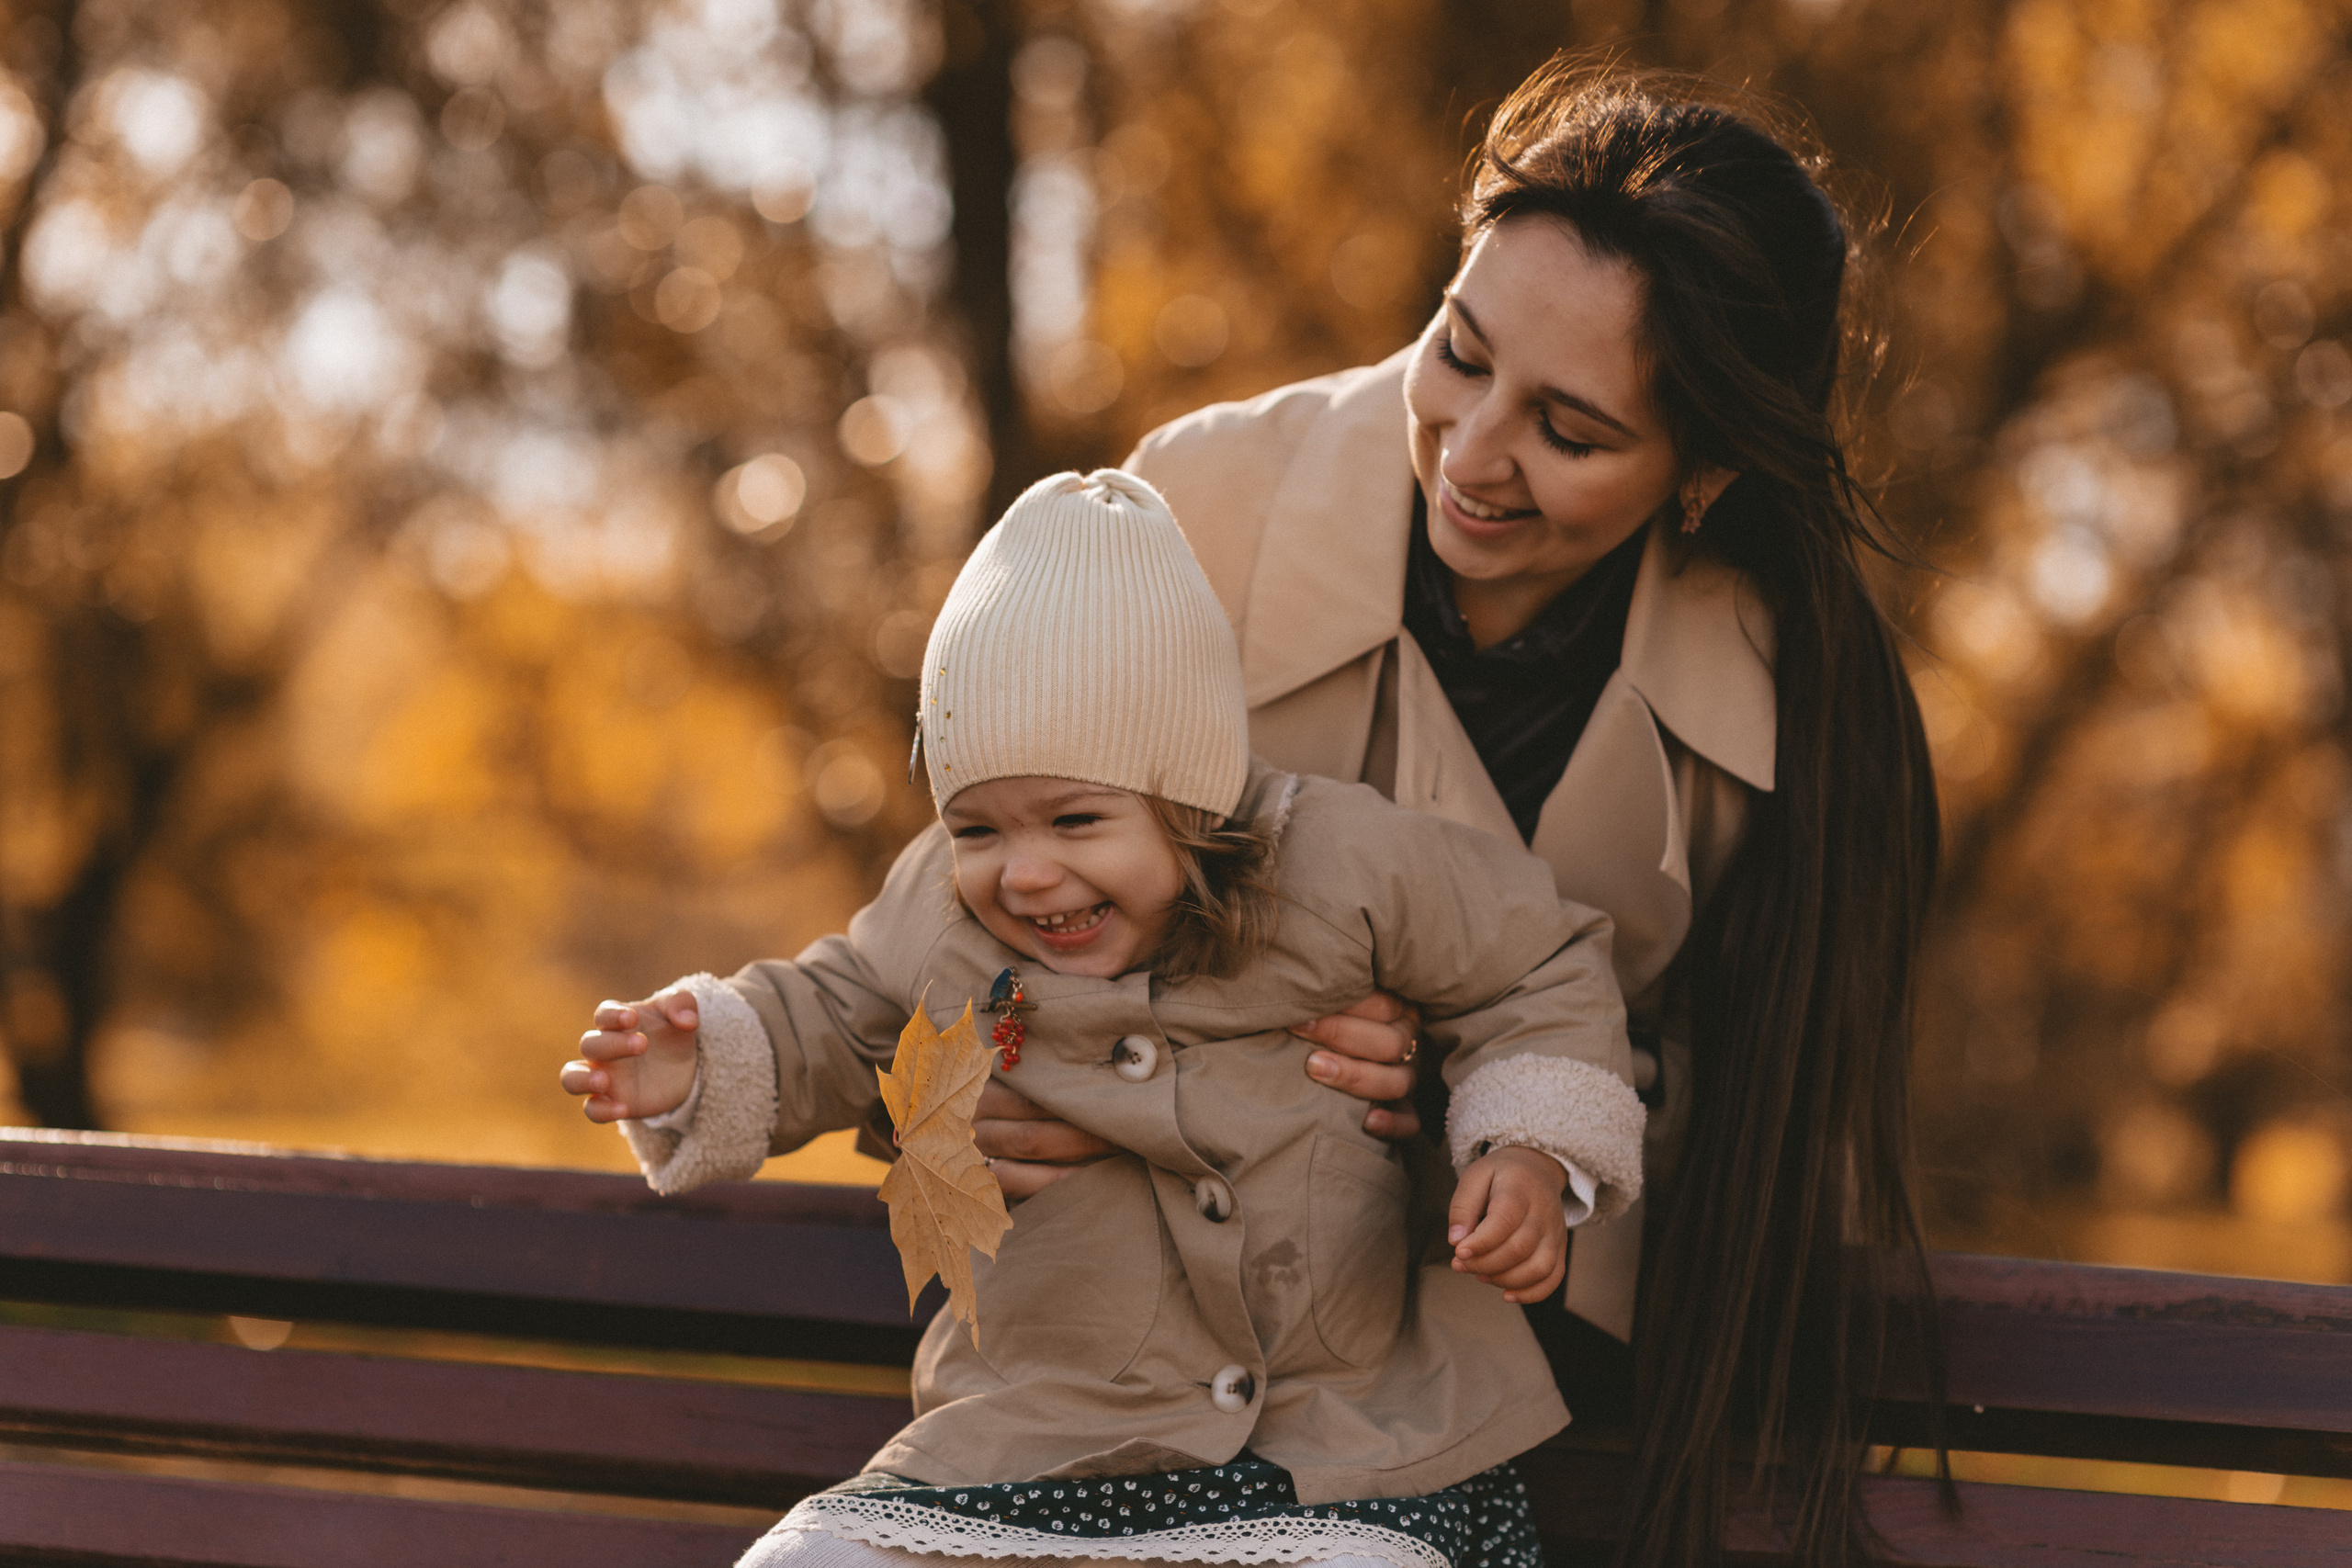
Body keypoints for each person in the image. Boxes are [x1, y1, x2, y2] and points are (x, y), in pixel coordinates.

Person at [970, 60, 1943, 1568]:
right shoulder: (1191, 513)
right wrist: (1026, 1062)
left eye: (1571, 429)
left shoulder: (1796, 690)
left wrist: (1491, 1099)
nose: (1473, 453)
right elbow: (982, 899)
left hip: (1514, 1382)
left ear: (1707, 463)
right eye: (1460, 350)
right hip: (1123, 1303)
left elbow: (1752, 1141)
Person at [563, 469, 1647, 1567]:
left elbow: (1535, 962)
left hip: (1335, 1432)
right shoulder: (940, 915)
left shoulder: (1346, 865)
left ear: (1191, 795)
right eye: (975, 828)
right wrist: (703, 1055)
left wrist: (1528, 1147)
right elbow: (833, 1011)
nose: (1025, 875)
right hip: (1034, 1435)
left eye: (1077, 819)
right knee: (805, 1562)